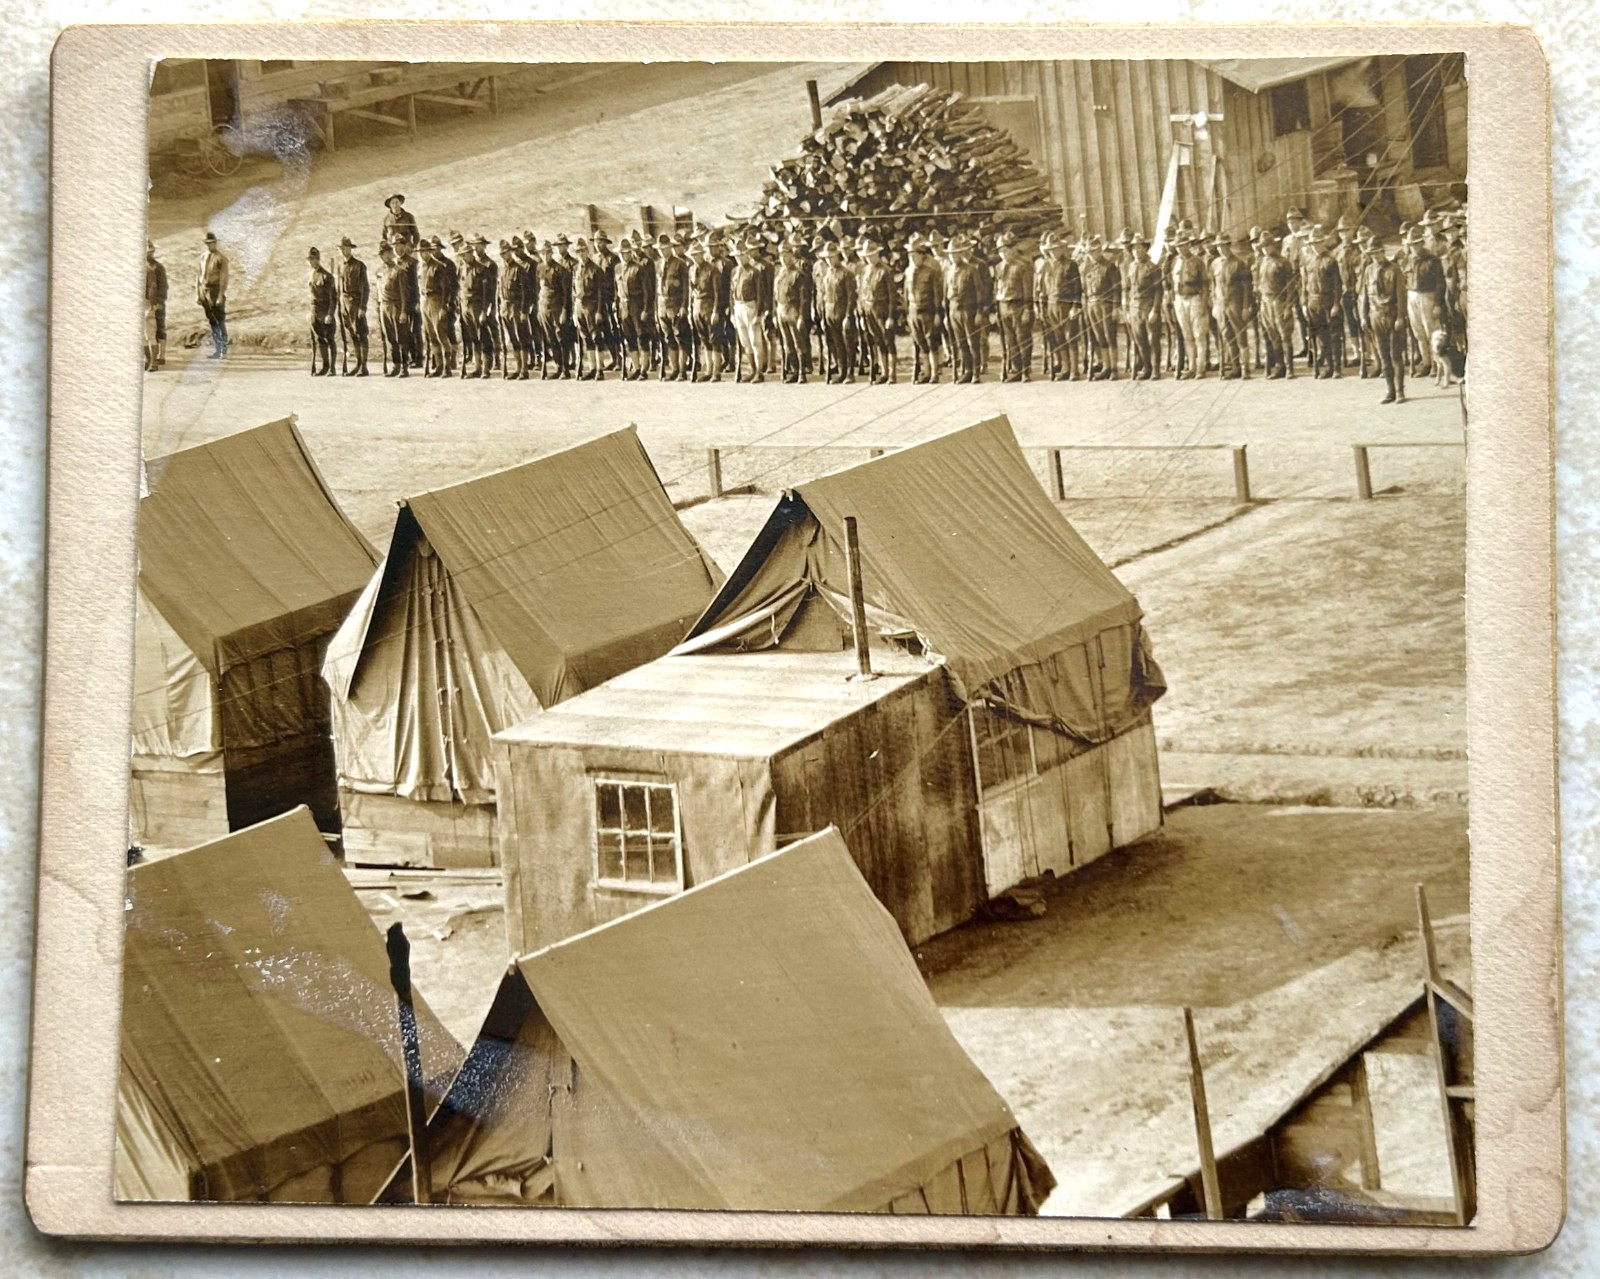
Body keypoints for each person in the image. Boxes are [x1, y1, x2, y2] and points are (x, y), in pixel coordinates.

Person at [1362, 235, 1408, 405]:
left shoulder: (1394, 269)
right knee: (1383, 355)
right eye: (1371, 253)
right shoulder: (1368, 270)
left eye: (1377, 252)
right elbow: (1365, 295)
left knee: (1396, 355)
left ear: (1383, 251)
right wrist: (1364, 316)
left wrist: (1400, 317)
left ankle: (1400, 391)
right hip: (1376, 316)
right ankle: (1390, 391)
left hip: (1392, 314)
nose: (1375, 256)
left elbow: (1401, 295)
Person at [1402, 221, 1447, 378]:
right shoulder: (1408, 260)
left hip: (1428, 296)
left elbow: (1440, 284)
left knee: (1431, 333)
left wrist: (1438, 304)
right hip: (1412, 296)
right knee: (1418, 333)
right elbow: (1405, 280)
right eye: (1411, 245)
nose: (1414, 247)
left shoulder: (1432, 260)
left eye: (1416, 243)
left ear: (1422, 243)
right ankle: (1426, 363)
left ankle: (1436, 364)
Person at [1256, 230, 1298, 379]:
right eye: (1263, 246)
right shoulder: (1261, 262)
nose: (1265, 249)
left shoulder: (1283, 262)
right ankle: (1280, 366)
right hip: (1265, 301)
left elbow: (1291, 286)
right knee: (1272, 335)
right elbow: (1259, 283)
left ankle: (1290, 368)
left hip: (1279, 301)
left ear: (1273, 245)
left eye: (1268, 245)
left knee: (1284, 334)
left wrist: (1288, 306)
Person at [993, 233, 1035, 383]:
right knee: (1010, 340)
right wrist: (996, 309)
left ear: (1013, 249)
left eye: (1006, 250)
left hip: (1018, 305)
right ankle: (1016, 369)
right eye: (1000, 251)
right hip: (1003, 305)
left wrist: (1028, 310)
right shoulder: (998, 267)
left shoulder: (1022, 266)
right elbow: (996, 288)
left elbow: (1028, 289)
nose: (1003, 254)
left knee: (1023, 338)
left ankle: (1025, 371)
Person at [730, 241, 773, 383]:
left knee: (755, 341)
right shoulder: (734, 272)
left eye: (741, 255)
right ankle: (752, 369)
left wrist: (759, 314)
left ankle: (759, 372)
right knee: (745, 342)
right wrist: (732, 313)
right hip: (738, 306)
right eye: (737, 256)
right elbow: (731, 293)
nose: (739, 258)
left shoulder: (754, 272)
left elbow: (761, 294)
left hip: (751, 306)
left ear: (747, 255)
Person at [904, 233, 944, 384]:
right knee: (920, 343)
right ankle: (925, 372)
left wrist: (938, 313)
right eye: (910, 256)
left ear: (922, 255)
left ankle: (934, 373)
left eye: (915, 256)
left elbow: (937, 294)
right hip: (913, 311)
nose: (912, 259)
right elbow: (906, 294)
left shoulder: (931, 271)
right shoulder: (908, 272)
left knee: (931, 342)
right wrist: (907, 313)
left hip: (928, 310)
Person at [855, 239, 896, 384]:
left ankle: (892, 373)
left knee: (888, 341)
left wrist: (891, 316)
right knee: (878, 341)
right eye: (867, 256)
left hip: (882, 310)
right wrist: (861, 314)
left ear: (878, 254)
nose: (870, 258)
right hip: (868, 310)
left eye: (872, 255)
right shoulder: (864, 271)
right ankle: (884, 372)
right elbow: (861, 293)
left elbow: (892, 296)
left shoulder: (886, 271)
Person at [1124, 232, 1164, 381]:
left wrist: (1155, 310)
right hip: (1135, 307)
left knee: (1153, 340)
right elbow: (1127, 288)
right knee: (1140, 340)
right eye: (1134, 248)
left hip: (1148, 305)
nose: (1137, 251)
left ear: (1145, 249)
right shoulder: (1131, 267)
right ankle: (1147, 368)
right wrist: (1127, 308)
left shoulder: (1153, 267)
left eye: (1140, 248)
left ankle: (1156, 370)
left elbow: (1159, 290)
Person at [773, 238, 812, 384]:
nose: (783, 258)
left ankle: (802, 372)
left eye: (786, 255)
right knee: (787, 343)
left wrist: (801, 316)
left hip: (793, 309)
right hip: (781, 309)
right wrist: (774, 313)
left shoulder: (798, 273)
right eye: (781, 255)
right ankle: (794, 371)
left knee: (798, 342)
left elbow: (804, 297)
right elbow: (775, 294)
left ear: (792, 255)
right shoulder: (779, 273)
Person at [1170, 233, 1209, 378]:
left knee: (1199, 334)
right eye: (1178, 246)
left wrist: (1204, 304)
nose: (1180, 248)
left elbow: (1205, 284)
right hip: (1179, 299)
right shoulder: (1174, 261)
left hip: (1194, 298)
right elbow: (1171, 282)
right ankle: (1192, 367)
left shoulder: (1197, 262)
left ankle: (1200, 368)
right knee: (1187, 335)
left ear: (1188, 245)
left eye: (1183, 245)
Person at [655, 234, 690, 382]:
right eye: (660, 249)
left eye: (665, 248)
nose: (662, 251)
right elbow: (656, 288)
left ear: (670, 247)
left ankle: (682, 371)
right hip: (662, 305)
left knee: (680, 337)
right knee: (668, 338)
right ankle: (674, 369)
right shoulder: (658, 264)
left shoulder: (680, 264)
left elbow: (686, 288)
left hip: (675, 304)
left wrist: (684, 306)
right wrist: (656, 308)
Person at [335, 236, 370, 377]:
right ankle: (358, 364)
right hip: (345, 305)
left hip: (356, 303)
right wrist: (340, 306)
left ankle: (364, 367)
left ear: (350, 249)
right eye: (341, 248)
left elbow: (365, 288)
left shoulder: (359, 266)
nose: (343, 251)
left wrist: (362, 307)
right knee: (352, 334)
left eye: (345, 248)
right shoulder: (340, 266)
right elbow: (339, 288)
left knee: (361, 334)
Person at [375, 242, 411, 377]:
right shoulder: (380, 271)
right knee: (390, 338)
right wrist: (379, 307)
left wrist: (403, 311)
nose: (384, 257)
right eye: (382, 254)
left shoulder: (399, 271)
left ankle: (404, 367)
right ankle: (396, 365)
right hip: (384, 306)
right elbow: (378, 291)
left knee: (401, 337)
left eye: (386, 253)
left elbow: (404, 294)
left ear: (391, 254)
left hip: (396, 306)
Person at [195, 231, 229, 359]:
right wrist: (198, 294)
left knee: (219, 321)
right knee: (212, 321)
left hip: (215, 291)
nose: (210, 245)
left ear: (216, 243)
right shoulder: (203, 257)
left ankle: (223, 350)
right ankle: (217, 349)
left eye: (212, 243)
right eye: (208, 243)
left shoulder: (221, 258)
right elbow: (199, 275)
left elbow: (224, 278)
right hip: (204, 290)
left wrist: (220, 295)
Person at [306, 246, 338, 377]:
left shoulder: (327, 276)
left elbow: (333, 298)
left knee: (330, 339)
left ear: (318, 259)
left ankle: (332, 368)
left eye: (313, 259)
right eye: (310, 259)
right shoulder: (311, 275)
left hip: (325, 311)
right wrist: (310, 312)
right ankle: (325, 367)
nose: (311, 262)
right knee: (319, 340)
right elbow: (312, 295)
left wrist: (330, 314)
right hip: (315, 311)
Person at [143, 241, 168, 371]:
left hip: (155, 302)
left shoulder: (157, 268)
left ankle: (159, 357)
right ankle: (149, 360)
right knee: (145, 333)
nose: (150, 254)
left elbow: (162, 287)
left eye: (151, 252)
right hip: (144, 302)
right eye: (148, 252)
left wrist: (158, 302)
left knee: (158, 329)